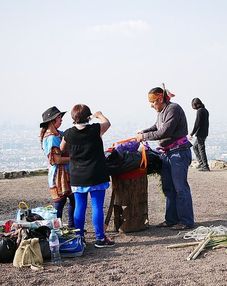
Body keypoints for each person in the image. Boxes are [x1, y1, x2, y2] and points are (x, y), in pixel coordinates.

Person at [136, 86, 194, 230]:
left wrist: (143, 136)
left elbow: (164, 131)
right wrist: (144, 131)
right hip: (167, 153)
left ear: (160, 99)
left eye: (153, 102)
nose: (151, 105)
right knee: (168, 188)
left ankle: (186, 221)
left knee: (180, 188)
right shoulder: (162, 111)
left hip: (178, 152)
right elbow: (156, 126)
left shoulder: (173, 109)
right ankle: (171, 219)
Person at [60, 104, 115, 248]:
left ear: (73, 118)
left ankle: (79, 237)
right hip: (96, 173)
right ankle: (100, 239)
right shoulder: (95, 129)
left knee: (80, 206)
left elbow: (62, 148)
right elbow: (107, 123)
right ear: (88, 116)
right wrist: (99, 114)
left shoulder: (68, 133)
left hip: (78, 175)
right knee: (97, 206)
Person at [39, 106, 75, 227]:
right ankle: (58, 228)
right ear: (52, 121)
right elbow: (56, 159)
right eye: (59, 118)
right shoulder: (52, 138)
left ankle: (70, 225)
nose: (61, 120)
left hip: (64, 173)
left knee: (71, 200)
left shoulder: (58, 134)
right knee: (60, 203)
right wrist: (74, 158)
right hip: (58, 176)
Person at [190, 98, 210, 171]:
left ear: (195, 104)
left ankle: (205, 166)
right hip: (204, 132)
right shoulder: (205, 110)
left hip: (201, 133)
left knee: (201, 149)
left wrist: (192, 133)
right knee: (195, 147)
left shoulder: (200, 111)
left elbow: (197, 123)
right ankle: (202, 164)